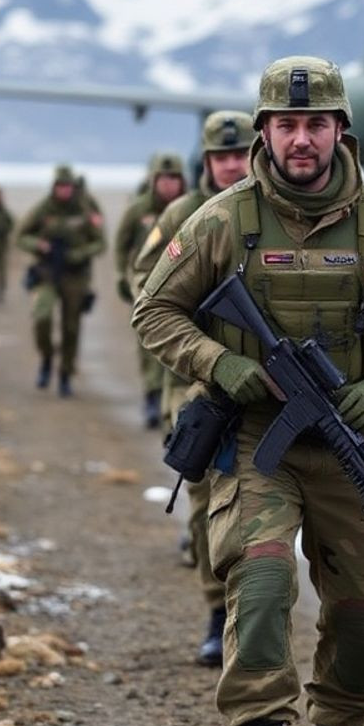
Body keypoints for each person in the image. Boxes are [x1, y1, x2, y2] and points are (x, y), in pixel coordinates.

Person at [133, 56, 364, 726]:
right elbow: (155, 311)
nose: (301, 139)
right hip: (255, 441)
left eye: (315, 124)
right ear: (265, 132)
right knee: (261, 582)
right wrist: (220, 364)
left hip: (351, 438)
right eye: (287, 125)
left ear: (341, 130)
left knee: (363, 612)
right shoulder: (222, 221)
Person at [132, 111, 253, 667]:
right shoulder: (183, 214)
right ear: (205, 161)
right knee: (206, 498)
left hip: (269, 378)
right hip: (202, 382)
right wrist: (197, 327)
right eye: (220, 157)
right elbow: (144, 285)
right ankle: (216, 612)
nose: (231, 165)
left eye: (239, 154)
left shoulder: (271, 210)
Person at [17, 164, 107, 397]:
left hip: (75, 276)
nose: (64, 190)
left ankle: (65, 373)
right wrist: (39, 245)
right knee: (42, 317)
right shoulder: (44, 209)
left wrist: (79, 254)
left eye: (68, 186)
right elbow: (20, 235)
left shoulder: (85, 210)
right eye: (60, 186)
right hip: (47, 273)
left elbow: (100, 243)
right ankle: (47, 358)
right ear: (54, 186)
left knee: (71, 328)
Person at [115, 152, 187, 428]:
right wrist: (122, 276)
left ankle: (173, 404)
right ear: (154, 180)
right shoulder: (138, 211)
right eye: (163, 179)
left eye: (174, 178)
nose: (169, 184)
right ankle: (151, 396)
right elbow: (121, 245)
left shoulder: (191, 208)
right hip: (147, 287)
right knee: (148, 344)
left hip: (183, 287)